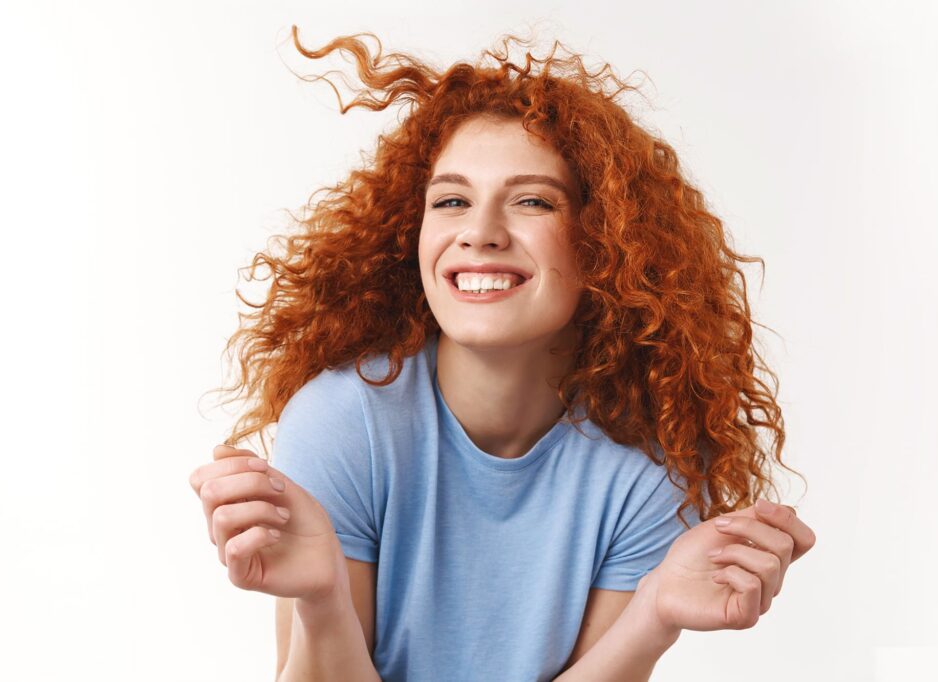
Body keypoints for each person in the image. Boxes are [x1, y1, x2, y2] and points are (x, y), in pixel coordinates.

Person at [189, 28, 816, 682]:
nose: (480, 233)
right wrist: (322, 602)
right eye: (452, 200)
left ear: (601, 241)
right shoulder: (342, 422)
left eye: (532, 201)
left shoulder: (647, 465)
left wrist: (654, 617)